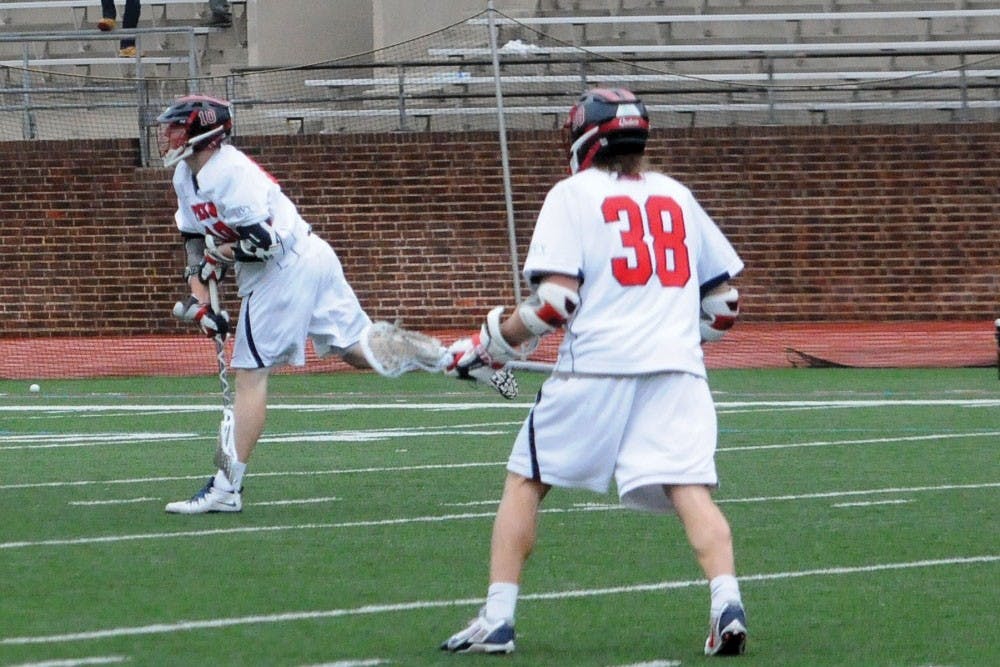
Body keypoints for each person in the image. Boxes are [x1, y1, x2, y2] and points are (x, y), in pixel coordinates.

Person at [439, 88, 748, 657]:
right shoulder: (677, 194)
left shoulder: (571, 194)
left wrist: (493, 344)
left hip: (596, 371)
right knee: (688, 487)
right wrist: (674, 331)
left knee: (526, 479)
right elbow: (724, 306)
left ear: (584, 138)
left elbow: (555, 302)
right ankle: (726, 603)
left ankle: (498, 617)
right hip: (677, 372)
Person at [157, 94, 377, 514]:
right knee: (359, 352)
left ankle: (226, 486)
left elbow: (262, 243)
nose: (168, 136)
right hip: (308, 255)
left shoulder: (229, 172)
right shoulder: (186, 177)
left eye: (177, 128)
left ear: (202, 133)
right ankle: (461, 356)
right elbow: (191, 237)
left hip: (283, 267)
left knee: (250, 375)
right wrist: (201, 301)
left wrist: (218, 258)